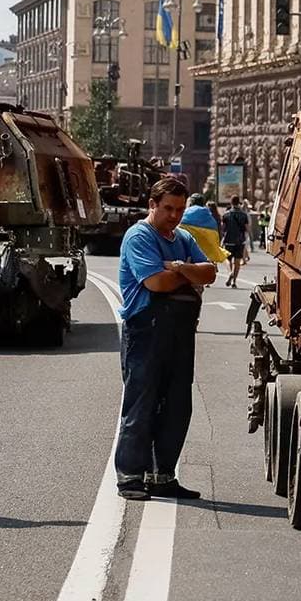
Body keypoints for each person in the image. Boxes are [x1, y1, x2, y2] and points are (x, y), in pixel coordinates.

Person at [115, 175, 216, 500]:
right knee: (141, 404)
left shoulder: (183, 237)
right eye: (168, 208)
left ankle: (162, 476)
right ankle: (130, 477)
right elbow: (156, 284)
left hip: (179, 333)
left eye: (180, 209)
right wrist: (187, 272)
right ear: (152, 205)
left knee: (176, 405)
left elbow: (210, 272)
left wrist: (178, 268)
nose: (174, 215)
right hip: (146, 331)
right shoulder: (138, 236)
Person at [179, 193, 229, 265]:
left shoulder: (186, 212)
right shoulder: (209, 215)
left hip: (188, 248)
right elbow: (215, 235)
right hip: (206, 251)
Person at [221, 196, 252, 288]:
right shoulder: (243, 215)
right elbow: (247, 228)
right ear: (239, 202)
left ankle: (230, 273)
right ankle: (234, 281)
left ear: (231, 203)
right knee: (237, 262)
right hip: (240, 241)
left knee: (227, 259)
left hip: (229, 240)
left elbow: (223, 228)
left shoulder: (226, 214)